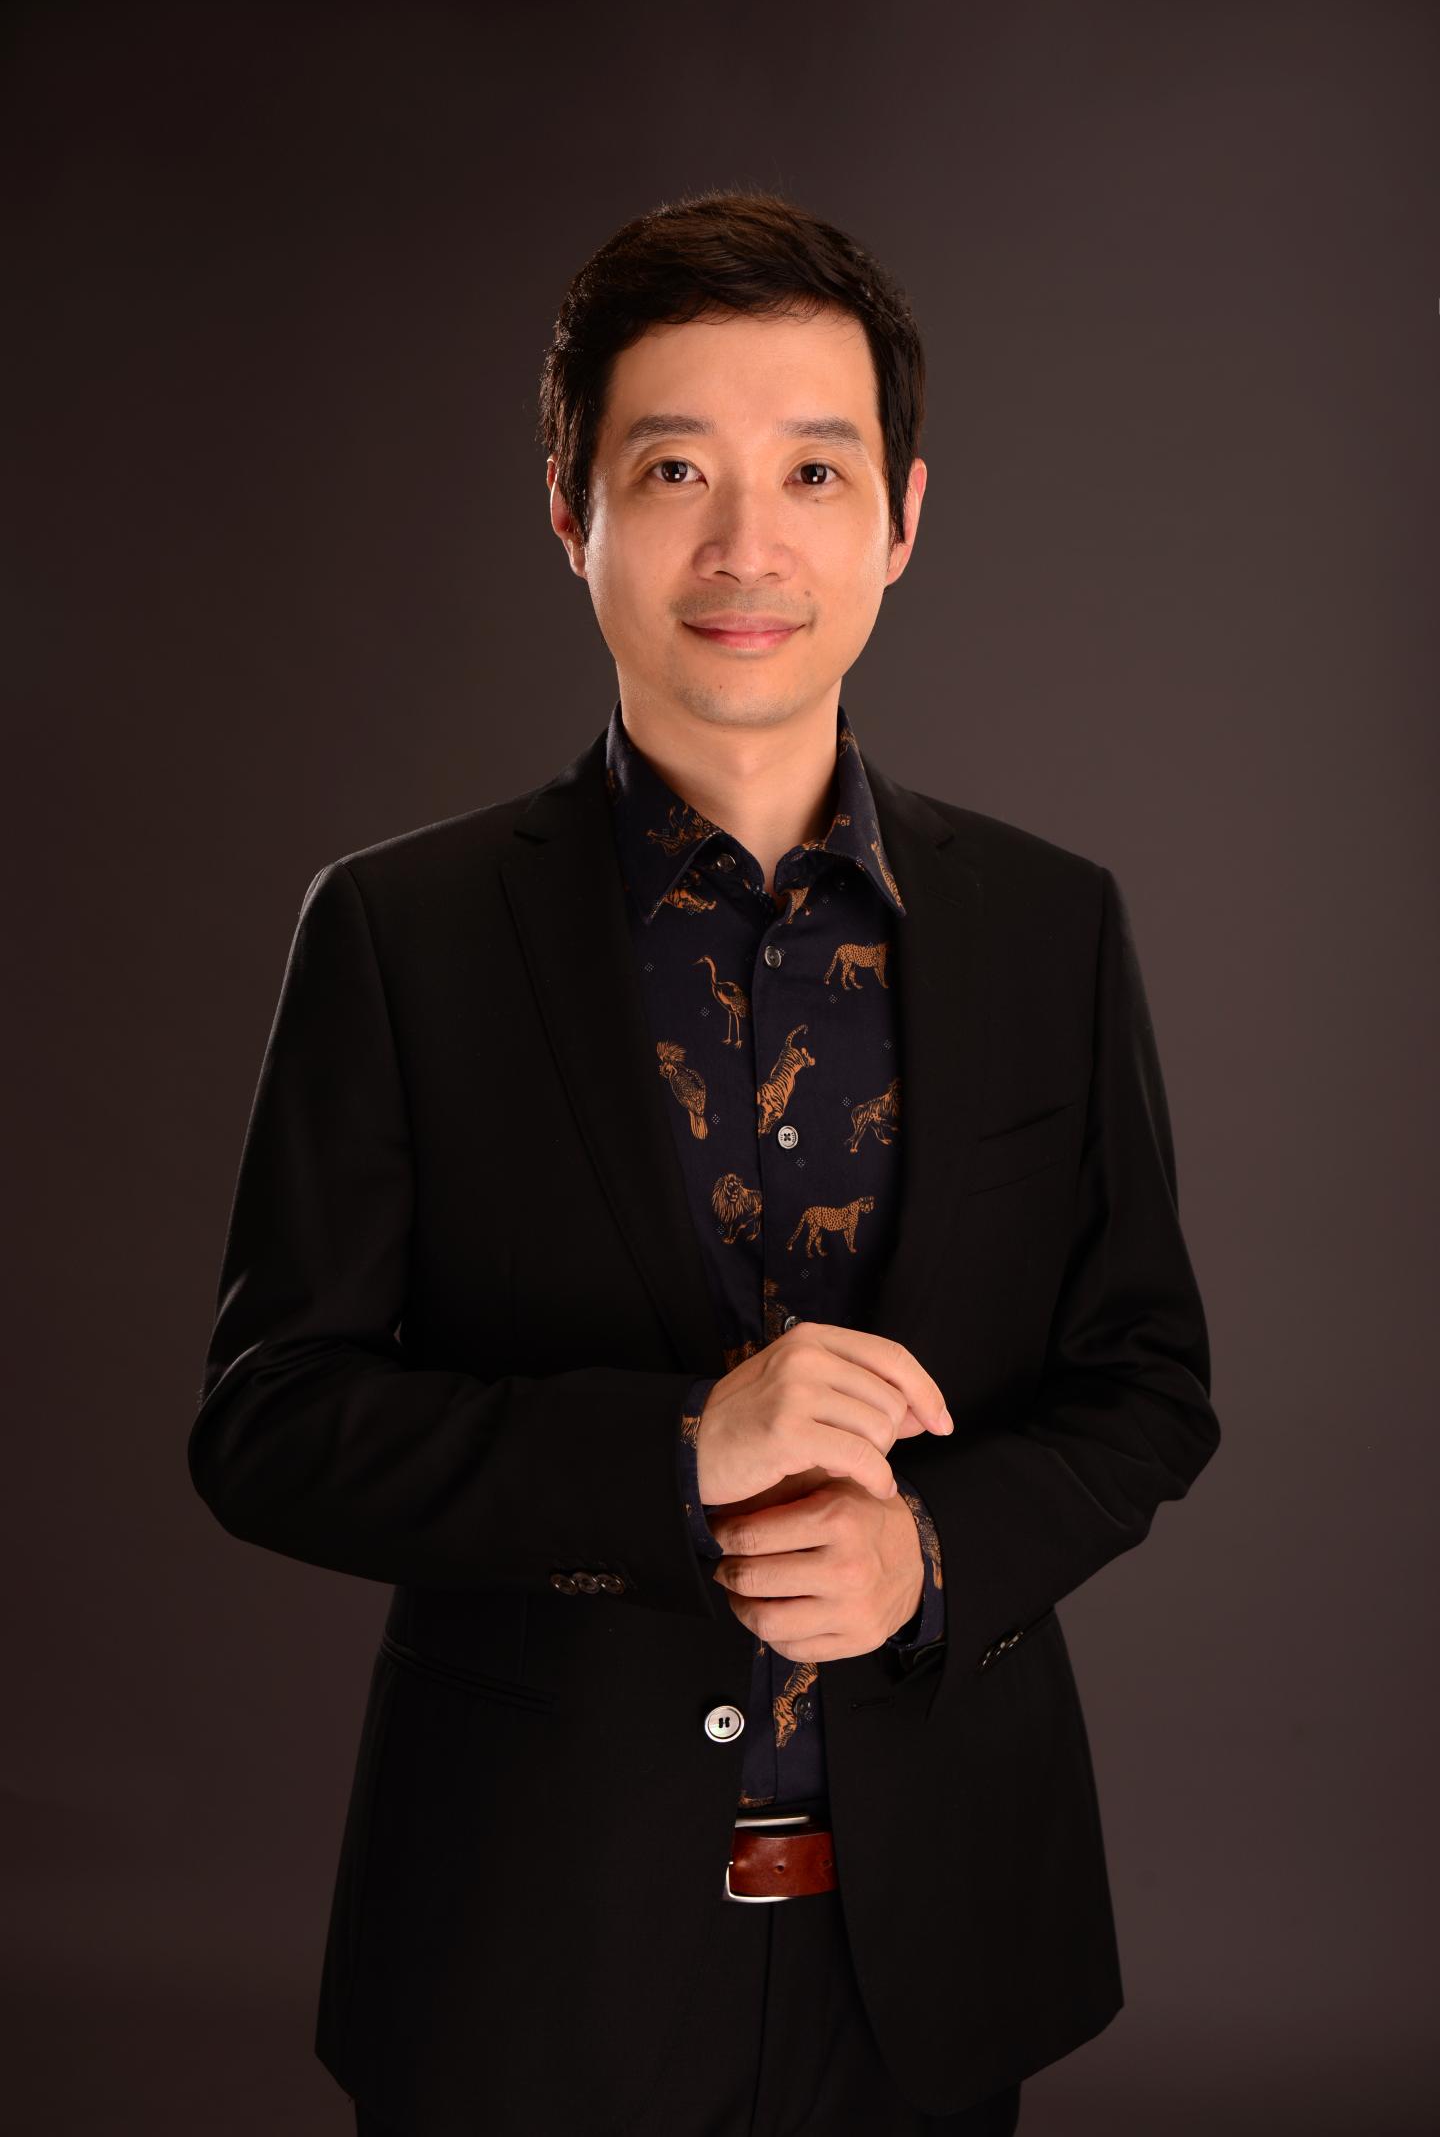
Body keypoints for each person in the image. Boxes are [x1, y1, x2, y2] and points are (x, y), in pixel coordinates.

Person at [189, 187, 1219, 2137]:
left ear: (901, 519)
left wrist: (933, 1556)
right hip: (525, 1948)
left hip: (939, 1948)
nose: (747, 545)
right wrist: (675, 1451)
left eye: (814, 471)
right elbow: (269, 1422)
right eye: (674, 469)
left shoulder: (1051, 923)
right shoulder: (399, 932)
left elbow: (1152, 1381)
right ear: (568, 509)